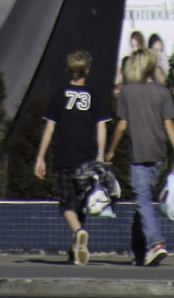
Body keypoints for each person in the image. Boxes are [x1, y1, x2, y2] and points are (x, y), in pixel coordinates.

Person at [107, 49, 174, 267]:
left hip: (139, 155)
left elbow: (121, 126)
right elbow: (169, 125)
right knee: (143, 202)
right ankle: (139, 252)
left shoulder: (127, 92)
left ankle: (156, 243)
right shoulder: (162, 92)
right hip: (159, 155)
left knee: (142, 200)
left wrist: (111, 150)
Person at [34, 50, 110, 267]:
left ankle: (78, 233)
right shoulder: (95, 96)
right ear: (87, 70)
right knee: (80, 204)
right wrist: (101, 156)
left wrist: (40, 157)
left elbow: (49, 127)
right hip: (87, 158)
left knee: (66, 205)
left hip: (66, 157)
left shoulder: (58, 95)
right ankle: (76, 247)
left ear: (68, 70)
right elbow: (101, 127)